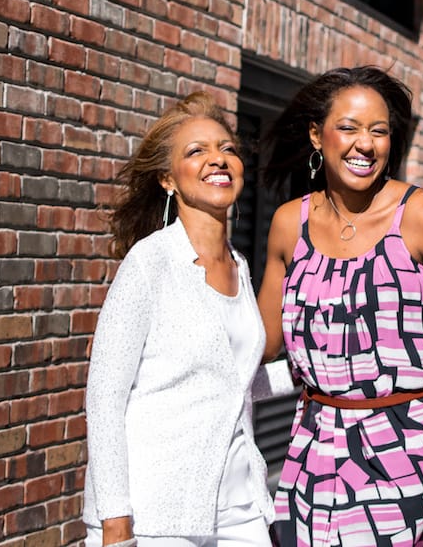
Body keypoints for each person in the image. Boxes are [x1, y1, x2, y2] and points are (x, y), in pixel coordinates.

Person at [257, 66, 423, 546]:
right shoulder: (289, 223)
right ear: (317, 136)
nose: (366, 144)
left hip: (415, 451)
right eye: (349, 127)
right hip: (317, 453)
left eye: (379, 131)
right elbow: (261, 341)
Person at [83, 91, 280, 547]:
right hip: (157, 515)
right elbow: (105, 397)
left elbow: (230, 383)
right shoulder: (149, 262)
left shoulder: (240, 267)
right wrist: (116, 522)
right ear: (168, 179)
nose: (219, 159)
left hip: (240, 507)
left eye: (228, 149)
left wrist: (316, 375)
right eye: (197, 151)